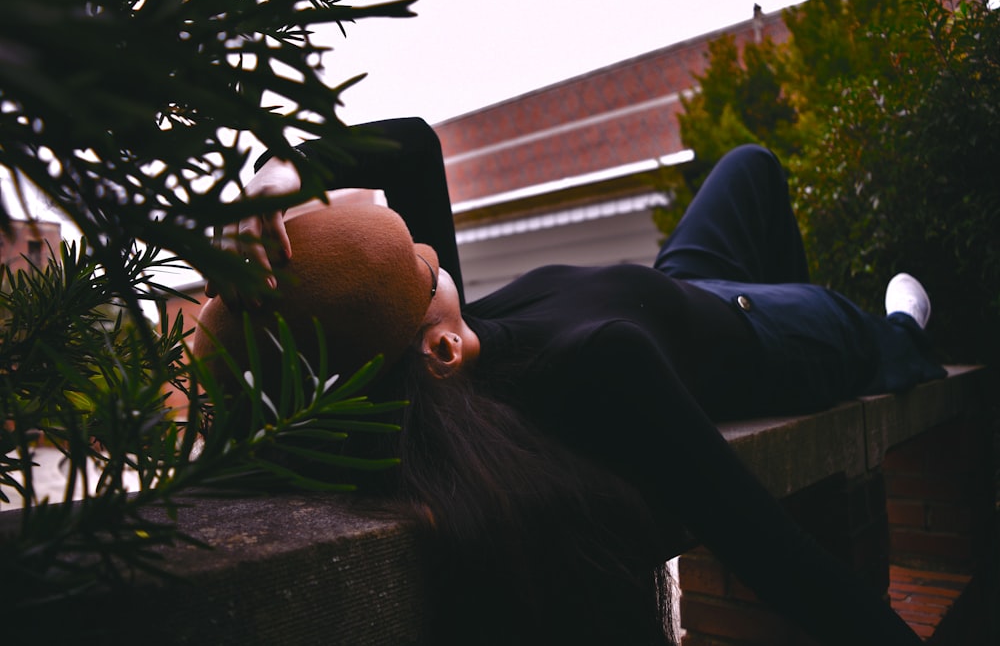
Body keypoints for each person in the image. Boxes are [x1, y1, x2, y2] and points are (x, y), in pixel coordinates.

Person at [195, 118, 945, 645]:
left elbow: (413, 147)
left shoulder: (431, 349)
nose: (430, 247)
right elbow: (781, 558)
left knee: (752, 163)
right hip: (768, 334)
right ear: (443, 348)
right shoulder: (599, 369)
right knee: (862, 326)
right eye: (422, 264)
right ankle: (899, 333)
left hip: (679, 280)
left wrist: (281, 172)